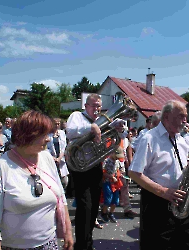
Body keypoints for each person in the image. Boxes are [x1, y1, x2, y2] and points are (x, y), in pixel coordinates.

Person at [0, 110, 74, 250]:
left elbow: (60, 195)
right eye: (43, 135)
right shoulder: (0, 167)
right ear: (27, 136)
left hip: (49, 244)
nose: (48, 139)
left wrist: (68, 232)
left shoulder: (46, 157)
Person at [129, 100, 189, 250]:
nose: (185, 121)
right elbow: (134, 173)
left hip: (182, 201)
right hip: (157, 203)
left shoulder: (183, 139)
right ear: (166, 116)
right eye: (181, 116)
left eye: (186, 116)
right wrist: (163, 191)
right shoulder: (150, 138)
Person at [65, 93, 126, 250]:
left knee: (93, 209)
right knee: (84, 208)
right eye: (94, 106)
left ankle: (88, 242)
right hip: (80, 169)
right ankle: (82, 245)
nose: (97, 109)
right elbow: (70, 131)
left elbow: (120, 137)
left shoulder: (101, 121)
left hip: (96, 168)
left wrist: (118, 128)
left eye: (99, 106)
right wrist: (90, 127)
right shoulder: (77, 116)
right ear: (86, 106)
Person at [100, 147, 124, 223]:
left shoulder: (117, 162)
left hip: (115, 183)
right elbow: (103, 172)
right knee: (108, 199)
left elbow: (117, 170)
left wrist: (120, 175)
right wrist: (111, 177)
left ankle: (111, 213)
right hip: (107, 182)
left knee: (116, 200)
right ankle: (103, 213)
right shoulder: (107, 161)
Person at [47, 118, 69, 189]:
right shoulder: (47, 134)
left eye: (58, 124)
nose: (57, 125)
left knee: (65, 181)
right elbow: (46, 148)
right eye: (55, 124)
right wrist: (54, 158)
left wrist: (59, 158)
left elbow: (64, 147)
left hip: (61, 160)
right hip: (52, 159)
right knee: (54, 180)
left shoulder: (62, 133)